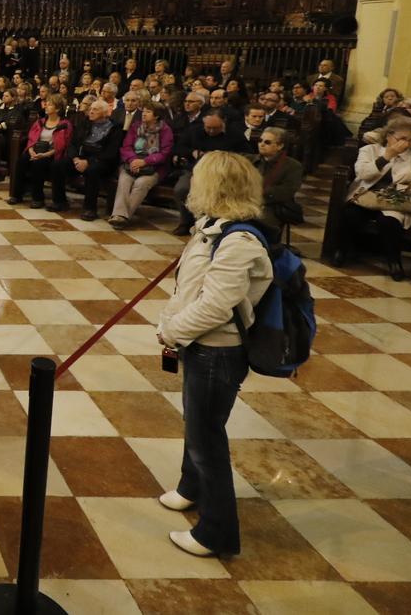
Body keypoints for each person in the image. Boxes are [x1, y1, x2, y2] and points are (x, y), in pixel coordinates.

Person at [156, 152, 272, 559]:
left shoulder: (239, 241)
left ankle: (216, 532)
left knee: (208, 437)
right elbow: (191, 288)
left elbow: (216, 307)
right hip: (199, 343)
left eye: (197, 177)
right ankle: (191, 487)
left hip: (218, 350)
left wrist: (170, 330)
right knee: (197, 421)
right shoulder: (212, 228)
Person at [331, 115, 411, 280]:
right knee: (351, 214)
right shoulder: (369, 150)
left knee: (389, 222)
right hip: (366, 195)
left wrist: (399, 191)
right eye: (402, 138)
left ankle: (394, 262)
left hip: (396, 201)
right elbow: (363, 174)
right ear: (389, 135)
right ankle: (341, 251)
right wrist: (387, 157)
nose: (407, 144)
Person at [110, 102, 174, 227]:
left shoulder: (165, 130)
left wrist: (145, 162)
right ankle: (119, 215)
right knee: (124, 181)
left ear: (156, 116)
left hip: (153, 167)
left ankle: (122, 216)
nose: (144, 114)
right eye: (143, 111)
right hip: (131, 164)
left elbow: (165, 153)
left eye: (148, 112)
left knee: (141, 183)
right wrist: (133, 160)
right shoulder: (136, 126)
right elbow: (126, 146)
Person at [9, 93, 72, 209]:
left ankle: (38, 198)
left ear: (57, 108)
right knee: (22, 160)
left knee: (38, 163)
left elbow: (62, 146)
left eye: (50, 105)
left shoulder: (65, 124)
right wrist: (32, 151)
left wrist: (44, 155)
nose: (46, 106)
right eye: (46, 104)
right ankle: (17, 195)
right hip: (36, 150)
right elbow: (31, 138)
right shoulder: (40, 121)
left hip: (52, 154)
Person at [67, 98, 123, 221]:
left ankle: (90, 209)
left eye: (95, 109)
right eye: (91, 109)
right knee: (59, 164)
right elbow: (72, 143)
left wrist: (88, 162)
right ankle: (59, 201)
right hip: (81, 156)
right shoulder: (85, 123)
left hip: (102, 160)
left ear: (104, 113)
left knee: (92, 170)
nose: (91, 112)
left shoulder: (115, 128)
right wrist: (76, 158)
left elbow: (110, 153)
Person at [252, 127, 304, 240]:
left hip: (273, 205)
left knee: (258, 223)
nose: (261, 144)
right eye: (260, 141)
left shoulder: (293, 166)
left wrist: (261, 192)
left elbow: (287, 191)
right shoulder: (252, 161)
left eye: (267, 142)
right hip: (248, 202)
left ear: (280, 146)